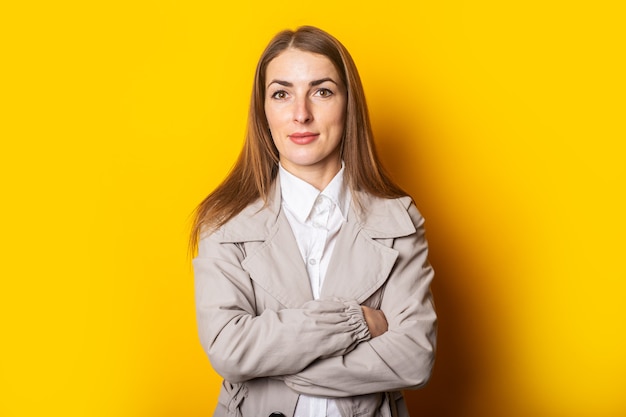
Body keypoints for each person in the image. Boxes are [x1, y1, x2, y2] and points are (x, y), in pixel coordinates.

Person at [191, 26, 437, 417]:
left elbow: (414, 356)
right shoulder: (224, 223)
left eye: (322, 91)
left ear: (347, 105)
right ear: (263, 110)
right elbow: (229, 349)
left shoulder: (398, 219)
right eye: (281, 93)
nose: (301, 113)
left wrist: (281, 360)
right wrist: (358, 323)